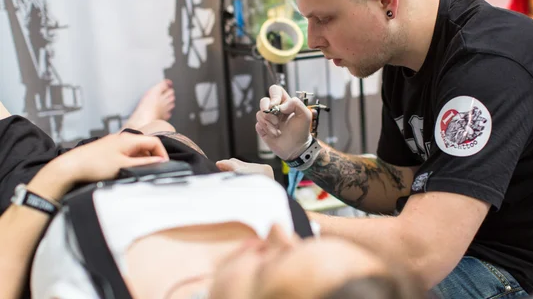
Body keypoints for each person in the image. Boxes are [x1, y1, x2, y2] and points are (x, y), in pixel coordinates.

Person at [245, 0, 533, 299]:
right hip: (470, 255)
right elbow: (399, 182)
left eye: (324, 19)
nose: (312, 39)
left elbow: (420, 253)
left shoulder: (489, 66)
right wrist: (303, 151)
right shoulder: (404, 57)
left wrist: (273, 212)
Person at [0, 120, 422, 299]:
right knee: (167, 134)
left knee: (13, 136)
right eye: (301, 240)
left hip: (36, 210)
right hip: (153, 169)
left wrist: (57, 175)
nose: (274, 232)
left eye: (268, 265)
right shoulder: (283, 236)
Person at [0, 79, 175, 214]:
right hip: (30, 205)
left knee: (155, 135)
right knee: (159, 135)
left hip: (21, 171)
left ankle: (130, 133)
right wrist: (67, 169)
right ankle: (131, 131)